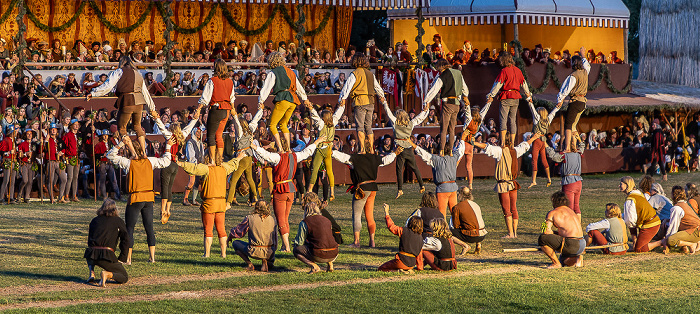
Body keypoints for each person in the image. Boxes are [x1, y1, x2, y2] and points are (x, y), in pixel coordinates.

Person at [107, 135, 174, 264]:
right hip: (149, 197)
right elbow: (166, 161)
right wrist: (168, 146)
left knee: (129, 228)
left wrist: (121, 144)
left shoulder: (129, 162)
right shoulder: (150, 161)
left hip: (136, 197)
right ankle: (152, 257)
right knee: (149, 227)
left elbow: (110, 155)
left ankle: (128, 258)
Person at [251, 137, 322, 252]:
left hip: (281, 190)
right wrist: (316, 143)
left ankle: (287, 246)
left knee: (281, 220)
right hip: (291, 190)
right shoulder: (294, 156)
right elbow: (306, 152)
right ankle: (285, 245)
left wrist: (254, 147)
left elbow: (265, 155)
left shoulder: (278, 157)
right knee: (285, 219)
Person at [177, 151, 245, 258]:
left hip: (209, 203)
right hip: (221, 204)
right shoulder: (224, 168)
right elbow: (233, 164)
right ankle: (223, 254)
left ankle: (207, 254)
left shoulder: (206, 169)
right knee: (221, 229)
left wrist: (181, 164)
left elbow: (194, 168)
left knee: (208, 230)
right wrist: (239, 157)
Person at [332, 142, 398, 248]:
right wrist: (394, 153)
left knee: (357, 215)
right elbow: (386, 160)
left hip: (362, 188)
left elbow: (343, 157)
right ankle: (372, 242)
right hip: (372, 188)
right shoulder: (374, 158)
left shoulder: (356, 158)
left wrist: (331, 152)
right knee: (370, 216)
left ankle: (356, 242)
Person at [473, 132, 539, 238]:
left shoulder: (500, 151)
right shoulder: (515, 150)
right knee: (513, 208)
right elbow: (525, 145)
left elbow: (487, 147)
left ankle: (511, 233)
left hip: (504, 184)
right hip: (512, 183)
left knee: (507, 209)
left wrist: (474, 142)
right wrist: (534, 138)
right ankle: (515, 233)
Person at [87, 55, 156, 157]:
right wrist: (152, 109)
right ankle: (144, 152)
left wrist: (93, 93)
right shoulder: (138, 74)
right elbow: (145, 93)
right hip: (139, 103)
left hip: (127, 101)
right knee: (137, 126)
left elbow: (108, 86)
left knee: (122, 128)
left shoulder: (119, 72)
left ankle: (134, 153)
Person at [151, 107, 202, 223]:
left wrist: (156, 118)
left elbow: (161, 128)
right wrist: (194, 120)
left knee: (165, 188)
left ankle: (163, 210)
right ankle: (168, 209)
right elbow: (189, 129)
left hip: (167, 163)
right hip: (175, 165)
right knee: (170, 188)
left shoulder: (169, 136)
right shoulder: (181, 136)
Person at [258, 52, 311, 153]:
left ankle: (281, 149)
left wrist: (261, 100)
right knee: (283, 124)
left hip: (283, 99)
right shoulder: (291, 72)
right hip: (293, 101)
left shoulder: (274, 72)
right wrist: (305, 98)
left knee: (272, 125)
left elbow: (266, 88)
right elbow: (299, 87)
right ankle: (288, 149)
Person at [338, 53, 386, 154]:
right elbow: (377, 87)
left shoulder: (355, 73)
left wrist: (343, 98)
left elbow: (347, 87)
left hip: (360, 102)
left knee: (360, 126)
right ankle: (372, 149)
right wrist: (382, 96)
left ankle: (363, 149)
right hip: (370, 102)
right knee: (368, 126)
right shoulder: (370, 74)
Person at [413, 129, 469, 216]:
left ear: (440, 151)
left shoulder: (437, 160)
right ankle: (457, 228)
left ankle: (443, 229)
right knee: (455, 213)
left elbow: (423, 154)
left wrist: (412, 144)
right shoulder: (453, 158)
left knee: (441, 214)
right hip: (453, 187)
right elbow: (460, 150)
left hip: (443, 188)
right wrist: (462, 139)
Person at [422, 58, 470, 155]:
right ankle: (451, 150)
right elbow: (465, 88)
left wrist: (426, 101)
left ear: (440, 66)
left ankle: (442, 150)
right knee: (452, 129)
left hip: (447, 104)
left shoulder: (442, 76)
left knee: (443, 129)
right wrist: (465, 97)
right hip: (457, 104)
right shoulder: (458, 73)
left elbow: (434, 90)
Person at [381, 101, 428, 198]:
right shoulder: (410, 123)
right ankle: (422, 185)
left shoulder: (395, 123)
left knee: (399, 169)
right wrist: (425, 111)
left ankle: (400, 189)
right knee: (415, 167)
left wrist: (385, 103)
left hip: (400, 148)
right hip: (409, 148)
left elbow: (388, 113)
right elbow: (419, 118)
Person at [485, 52, 531, 146]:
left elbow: (498, 84)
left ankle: (502, 143)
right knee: (513, 120)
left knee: (503, 119)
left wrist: (491, 95)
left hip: (506, 97)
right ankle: (512, 143)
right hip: (516, 97)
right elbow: (524, 83)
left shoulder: (504, 71)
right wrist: (528, 95)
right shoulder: (518, 70)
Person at [84, 198, 130, 287]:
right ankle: (107, 274)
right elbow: (126, 240)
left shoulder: (94, 220)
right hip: (106, 256)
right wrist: (122, 258)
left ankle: (92, 272)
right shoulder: (118, 221)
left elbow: (90, 240)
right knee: (124, 276)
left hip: (90, 255)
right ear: (115, 209)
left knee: (91, 250)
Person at [197, 59, 235, 163]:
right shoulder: (230, 81)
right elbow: (232, 98)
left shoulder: (212, 80)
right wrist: (233, 109)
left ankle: (212, 161)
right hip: (226, 110)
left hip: (216, 109)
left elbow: (205, 97)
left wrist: (198, 109)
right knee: (219, 134)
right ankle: (220, 160)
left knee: (211, 135)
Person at [293, 192, 340, 274]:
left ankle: (314, 266)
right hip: (334, 252)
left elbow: (299, 242)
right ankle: (330, 264)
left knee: (296, 249)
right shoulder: (327, 220)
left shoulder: (305, 222)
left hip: (319, 254)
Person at [556, 47, 591, 153]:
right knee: (573, 126)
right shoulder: (585, 72)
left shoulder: (573, 76)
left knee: (568, 124)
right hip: (583, 102)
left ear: (573, 63)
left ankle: (567, 148)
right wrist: (583, 54)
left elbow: (565, 89)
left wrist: (560, 99)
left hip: (575, 102)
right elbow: (587, 65)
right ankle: (575, 147)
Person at [307, 103, 345, 201]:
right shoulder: (334, 122)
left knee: (315, 169)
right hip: (329, 149)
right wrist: (342, 106)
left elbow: (315, 116)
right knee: (329, 171)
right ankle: (332, 192)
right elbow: (338, 114)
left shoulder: (321, 124)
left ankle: (309, 189)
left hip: (320, 148)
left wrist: (311, 108)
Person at [226, 107, 263, 207]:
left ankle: (228, 201)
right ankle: (255, 196)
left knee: (233, 180)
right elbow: (255, 120)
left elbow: (237, 124)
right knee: (250, 178)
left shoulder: (241, 133)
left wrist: (234, 115)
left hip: (242, 157)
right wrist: (260, 110)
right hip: (249, 158)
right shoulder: (250, 130)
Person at [538, 191, 585, 269]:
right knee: (564, 261)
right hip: (582, 243)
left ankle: (556, 263)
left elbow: (546, 231)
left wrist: (552, 233)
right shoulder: (571, 211)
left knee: (543, 239)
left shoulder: (552, 213)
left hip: (571, 244)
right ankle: (577, 258)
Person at [228, 200, 278, 272]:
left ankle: (250, 264)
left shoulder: (250, 218)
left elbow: (239, 232)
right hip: (269, 251)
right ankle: (266, 260)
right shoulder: (272, 219)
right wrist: (273, 251)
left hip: (254, 250)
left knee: (235, 243)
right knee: (269, 255)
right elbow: (275, 238)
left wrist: (230, 236)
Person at [649, 186, 700, 254]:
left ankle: (690, 244)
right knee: (667, 226)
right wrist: (667, 220)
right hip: (695, 230)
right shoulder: (685, 204)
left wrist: (667, 243)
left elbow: (673, 228)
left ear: (673, 195)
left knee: (671, 240)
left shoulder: (677, 208)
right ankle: (685, 245)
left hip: (694, 232)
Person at [619, 176, 663, 253]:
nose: (619, 186)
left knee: (639, 249)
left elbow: (630, 222)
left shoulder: (631, 199)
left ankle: (661, 242)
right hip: (650, 222)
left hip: (651, 224)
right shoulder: (638, 194)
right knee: (637, 247)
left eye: (621, 184)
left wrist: (634, 242)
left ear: (627, 185)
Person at [546, 135, 585, 219]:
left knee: (569, 207)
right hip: (578, 181)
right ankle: (578, 226)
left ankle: (571, 227)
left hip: (569, 182)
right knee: (576, 206)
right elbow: (582, 146)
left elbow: (553, 156)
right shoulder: (578, 153)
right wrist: (578, 138)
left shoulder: (565, 155)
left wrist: (546, 145)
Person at [378, 204, 423, 273]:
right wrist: (420, 267)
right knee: (402, 265)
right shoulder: (420, 238)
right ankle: (407, 270)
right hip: (412, 264)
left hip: (401, 261)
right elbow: (419, 255)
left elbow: (391, 227)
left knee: (382, 268)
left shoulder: (403, 231)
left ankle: (397, 271)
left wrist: (387, 213)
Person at [527, 103, 559, 188]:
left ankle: (533, 180)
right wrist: (556, 107)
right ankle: (549, 178)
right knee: (544, 159)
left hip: (537, 140)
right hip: (543, 140)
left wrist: (530, 101)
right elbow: (553, 114)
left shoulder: (537, 119)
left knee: (534, 159)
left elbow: (533, 111)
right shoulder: (547, 120)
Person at [450, 186, 487, 255]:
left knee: (448, 233)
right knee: (476, 224)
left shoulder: (457, 207)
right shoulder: (475, 204)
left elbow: (456, 225)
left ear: (460, 195)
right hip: (482, 235)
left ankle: (465, 246)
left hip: (471, 236)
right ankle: (478, 244)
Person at [45, 123, 67, 203]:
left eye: (54, 129)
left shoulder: (59, 140)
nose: (53, 130)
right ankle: (51, 198)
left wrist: (62, 153)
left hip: (58, 161)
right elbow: (44, 149)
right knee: (50, 180)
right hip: (50, 161)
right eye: (51, 129)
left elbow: (64, 148)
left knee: (64, 178)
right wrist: (46, 140)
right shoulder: (47, 139)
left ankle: (61, 197)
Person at [17, 128, 37, 203]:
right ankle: (19, 194)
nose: (29, 135)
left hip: (31, 163)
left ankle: (27, 196)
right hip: (24, 163)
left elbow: (37, 152)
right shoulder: (22, 144)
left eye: (30, 134)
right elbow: (19, 155)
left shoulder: (34, 144)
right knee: (25, 180)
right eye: (28, 134)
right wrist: (26, 154)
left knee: (30, 181)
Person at [0, 126, 18, 204]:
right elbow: (1, 152)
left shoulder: (14, 141)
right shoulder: (6, 140)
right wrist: (8, 153)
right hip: (8, 160)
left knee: (12, 180)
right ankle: (1, 197)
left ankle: (11, 197)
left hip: (13, 161)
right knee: (6, 180)